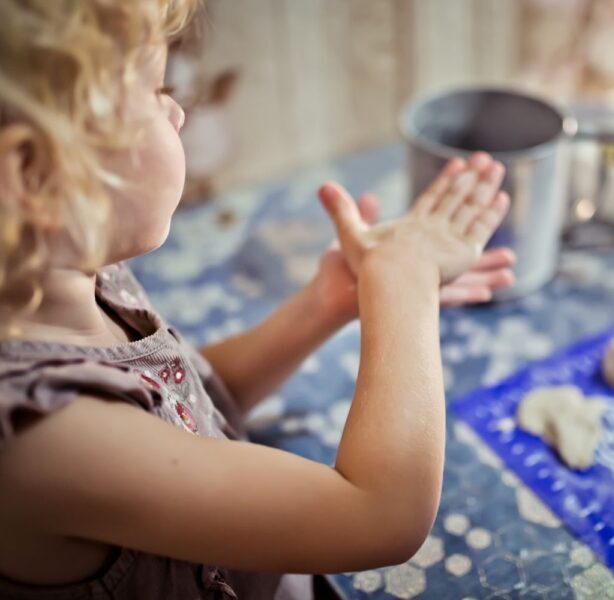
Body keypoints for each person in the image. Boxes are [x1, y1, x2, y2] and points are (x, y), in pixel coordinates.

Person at [0, 1, 515, 598]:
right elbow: (380, 515)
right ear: (33, 173)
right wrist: (406, 282)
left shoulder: (60, 283)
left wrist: (321, 306)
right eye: (152, 89)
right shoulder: (45, 443)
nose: (176, 109)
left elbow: (185, 412)